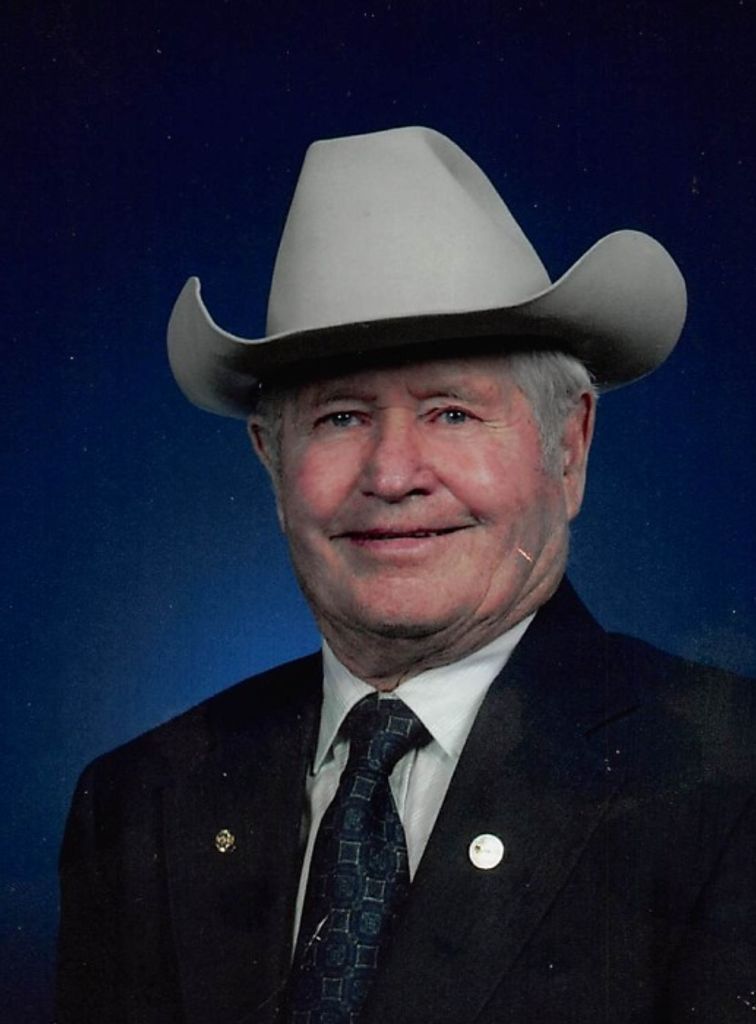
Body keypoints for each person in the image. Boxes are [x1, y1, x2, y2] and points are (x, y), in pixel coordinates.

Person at [56, 127, 755, 1023]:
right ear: (271, 458)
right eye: (340, 417)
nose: (392, 476)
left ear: (570, 445)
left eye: (452, 412)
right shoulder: (138, 804)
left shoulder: (729, 776)